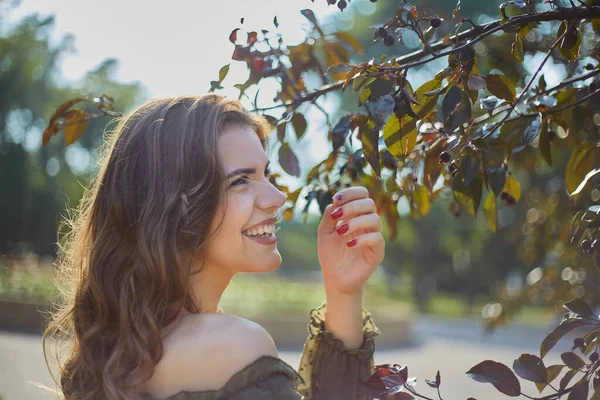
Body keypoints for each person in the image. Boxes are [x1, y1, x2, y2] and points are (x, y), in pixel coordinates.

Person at [43, 94, 385, 400]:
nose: (277, 197)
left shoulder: (124, 351)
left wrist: (343, 291)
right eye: (240, 181)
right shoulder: (234, 347)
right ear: (174, 208)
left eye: (266, 174)